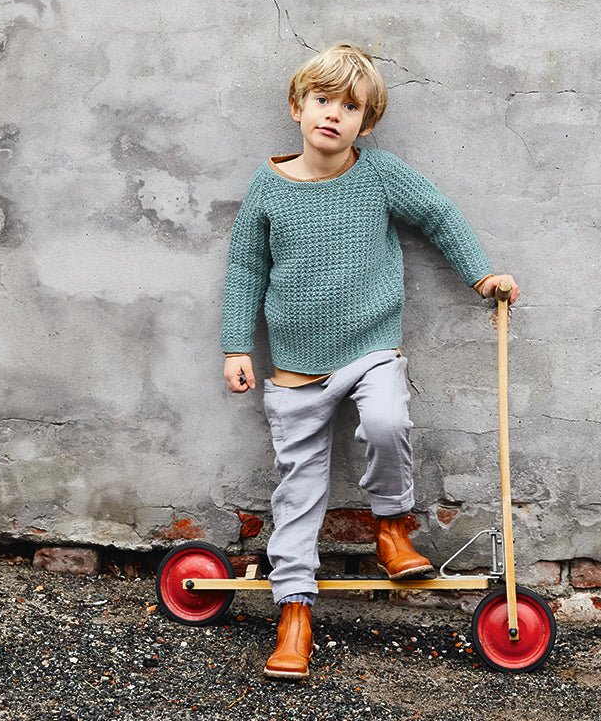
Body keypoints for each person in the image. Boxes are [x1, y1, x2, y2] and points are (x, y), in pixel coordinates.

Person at [221, 42, 519, 682]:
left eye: (349, 106)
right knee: (298, 491)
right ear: (298, 108)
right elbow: (246, 267)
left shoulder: (378, 175)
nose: (333, 115)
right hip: (296, 371)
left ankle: (392, 529)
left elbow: (438, 214)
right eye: (322, 101)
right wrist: (235, 345)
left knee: (386, 422)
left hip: (370, 350)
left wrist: (481, 276)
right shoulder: (267, 188)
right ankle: (294, 612)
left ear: (367, 122)